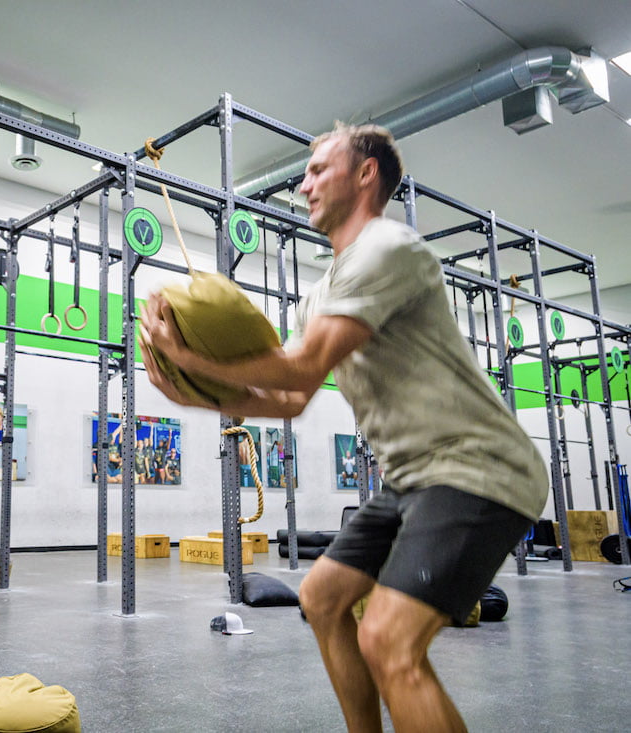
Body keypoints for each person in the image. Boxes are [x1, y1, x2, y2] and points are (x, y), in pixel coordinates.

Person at [139, 123, 546, 733]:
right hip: (411, 480)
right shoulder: (318, 295)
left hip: (478, 468)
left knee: (388, 640)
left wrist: (194, 358)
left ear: (366, 175)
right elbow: (291, 397)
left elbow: (301, 363)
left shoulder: (389, 249)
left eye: (318, 169)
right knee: (323, 597)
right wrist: (192, 394)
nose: (303, 184)